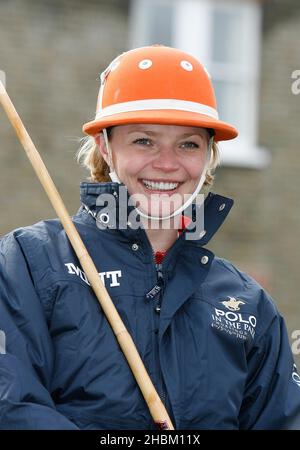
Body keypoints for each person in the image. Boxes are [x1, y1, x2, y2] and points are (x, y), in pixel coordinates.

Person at [0, 45, 300, 430]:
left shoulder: (248, 303)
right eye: (144, 140)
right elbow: (11, 407)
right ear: (105, 146)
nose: (167, 163)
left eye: (188, 144)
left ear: (209, 154)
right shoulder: (26, 263)